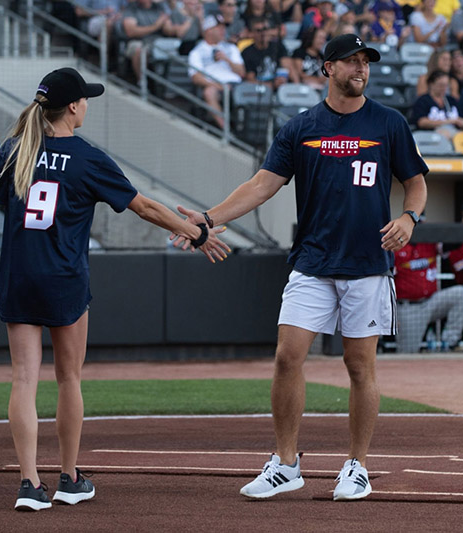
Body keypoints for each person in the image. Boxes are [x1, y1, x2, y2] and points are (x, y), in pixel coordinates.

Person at [0, 67, 228, 510]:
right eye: (85, 99)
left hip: (19, 278)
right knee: (68, 377)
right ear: (72, 106)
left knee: (23, 379)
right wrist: (197, 232)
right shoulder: (88, 157)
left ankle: (30, 484)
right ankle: (69, 478)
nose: (87, 104)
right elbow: (144, 206)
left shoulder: (14, 149)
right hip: (65, 279)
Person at [175, 34, 428, 502]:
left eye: (365, 62)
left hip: (367, 263)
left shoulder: (389, 123)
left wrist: (410, 218)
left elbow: (416, 183)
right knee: (287, 356)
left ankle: (356, 466)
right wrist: (209, 218)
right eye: (351, 61)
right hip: (312, 261)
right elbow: (261, 184)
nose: (361, 69)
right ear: (327, 68)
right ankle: (286, 463)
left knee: (360, 366)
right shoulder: (301, 126)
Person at [394, 240, 463, 353]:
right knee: (407, 354)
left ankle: (449, 342)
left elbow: (454, 243)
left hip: (432, 302)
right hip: (409, 308)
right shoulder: (396, 245)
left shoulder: (429, 242)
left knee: (460, 293)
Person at [188, 15, 245, 129]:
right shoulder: (197, 52)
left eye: (224, 28)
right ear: (208, 30)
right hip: (215, 85)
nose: (223, 31)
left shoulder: (231, 47)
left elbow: (242, 72)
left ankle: (245, 129)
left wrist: (227, 60)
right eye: (219, 28)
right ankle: (226, 129)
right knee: (209, 92)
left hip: (236, 85)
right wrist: (219, 86)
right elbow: (196, 77)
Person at [120, 0, 172, 81]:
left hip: (158, 41)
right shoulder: (131, 8)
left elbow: (168, 28)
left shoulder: (160, 6)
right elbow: (131, 32)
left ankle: (164, 85)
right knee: (139, 50)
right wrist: (156, 26)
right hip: (138, 40)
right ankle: (142, 83)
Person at [411, 70, 463, 138]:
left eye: (446, 85)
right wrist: (449, 121)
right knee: (445, 134)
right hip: (432, 136)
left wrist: (462, 122)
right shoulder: (423, 101)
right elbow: (422, 122)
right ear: (431, 84)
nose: (444, 88)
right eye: (440, 85)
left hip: (455, 132)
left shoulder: (451, 100)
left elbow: (462, 118)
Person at [241, 17, 294, 89]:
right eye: (258, 31)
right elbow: (250, 80)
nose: (263, 33)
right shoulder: (247, 52)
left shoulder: (278, 46)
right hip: (259, 90)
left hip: (282, 87)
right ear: (252, 33)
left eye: (265, 29)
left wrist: (297, 87)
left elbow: (289, 68)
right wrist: (271, 85)